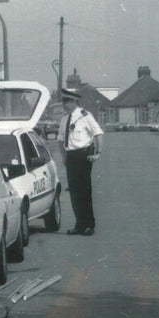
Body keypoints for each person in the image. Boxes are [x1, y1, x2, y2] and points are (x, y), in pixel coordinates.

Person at [57, 89, 104, 236]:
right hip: (71, 156)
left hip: (83, 155)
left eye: (66, 101)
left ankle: (89, 225)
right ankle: (79, 224)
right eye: (64, 101)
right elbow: (60, 140)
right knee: (74, 192)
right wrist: (64, 157)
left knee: (84, 191)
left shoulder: (85, 116)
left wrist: (98, 153)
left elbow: (98, 133)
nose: (64, 104)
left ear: (73, 102)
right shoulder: (64, 119)